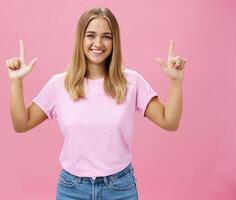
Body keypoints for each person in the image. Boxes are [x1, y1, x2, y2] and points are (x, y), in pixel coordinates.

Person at [5, 7, 186, 200]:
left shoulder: (131, 82)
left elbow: (170, 122)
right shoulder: (59, 84)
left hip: (119, 188)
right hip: (72, 189)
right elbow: (21, 124)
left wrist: (176, 82)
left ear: (114, 41)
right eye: (91, 35)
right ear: (80, 39)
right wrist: (16, 82)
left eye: (106, 36)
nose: (98, 43)